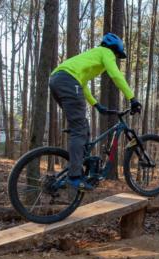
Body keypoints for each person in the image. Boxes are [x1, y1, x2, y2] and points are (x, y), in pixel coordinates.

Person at [49, 33, 141, 191]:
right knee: (79, 130)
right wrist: (132, 98)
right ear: (115, 49)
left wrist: (96, 105)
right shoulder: (106, 52)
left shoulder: (90, 57)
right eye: (117, 55)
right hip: (68, 82)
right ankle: (74, 177)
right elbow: (116, 75)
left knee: (83, 128)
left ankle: (85, 165)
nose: (116, 58)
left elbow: (83, 84)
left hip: (57, 81)